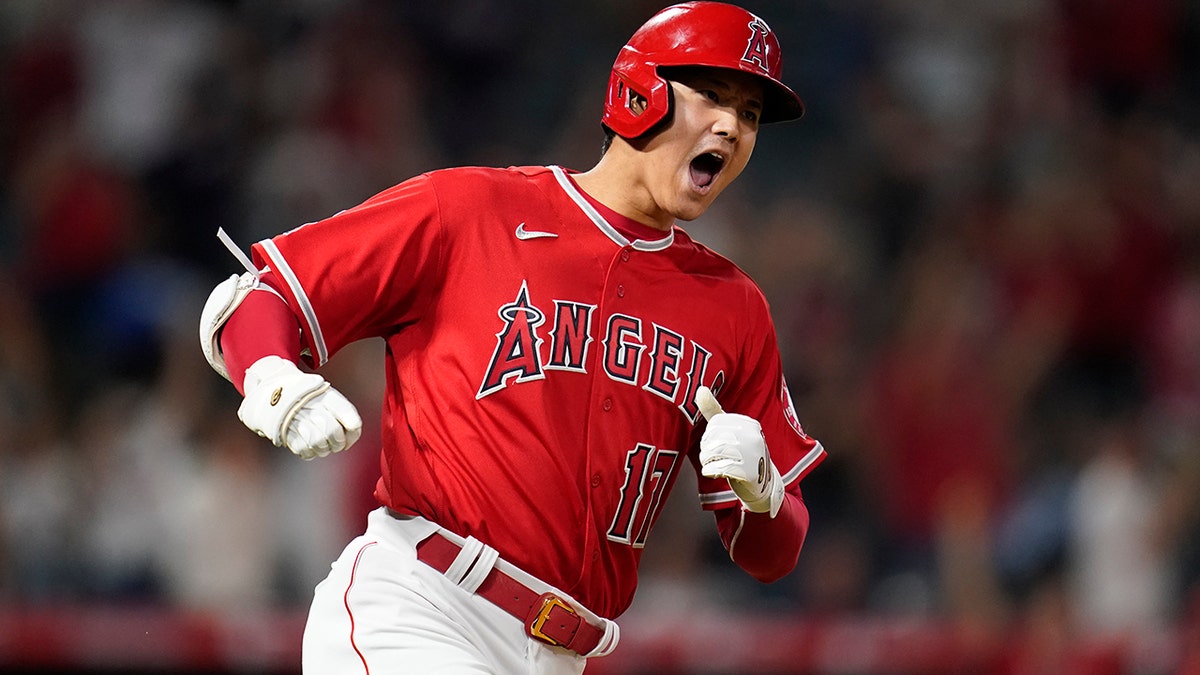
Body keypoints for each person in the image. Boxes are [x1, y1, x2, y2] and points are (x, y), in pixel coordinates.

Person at [199, 2, 825, 672]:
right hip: (421, 607)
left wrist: (762, 489)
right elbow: (257, 296)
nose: (731, 126)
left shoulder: (734, 308)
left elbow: (773, 552)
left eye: (750, 115)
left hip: (565, 653)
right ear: (639, 90)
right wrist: (276, 382)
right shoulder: (473, 212)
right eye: (713, 97)